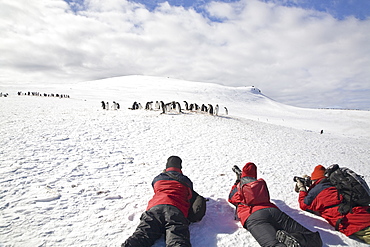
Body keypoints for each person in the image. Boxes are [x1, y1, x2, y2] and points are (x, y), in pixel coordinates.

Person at [229, 162, 322, 247]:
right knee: (312, 238)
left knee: (273, 244)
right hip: (273, 211)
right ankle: (296, 239)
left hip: (253, 217)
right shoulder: (259, 185)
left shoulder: (239, 188)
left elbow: (231, 198)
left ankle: (287, 244)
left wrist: (237, 181)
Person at [122, 156, 193, 247]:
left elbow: (155, 188)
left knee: (142, 235)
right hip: (176, 209)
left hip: (155, 208)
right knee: (177, 237)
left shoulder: (158, 178)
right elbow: (190, 195)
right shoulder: (185, 180)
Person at [296, 165, 370, 244]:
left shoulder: (317, 190)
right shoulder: (336, 184)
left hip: (356, 223)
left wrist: (302, 189)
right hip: (364, 213)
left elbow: (303, 204)